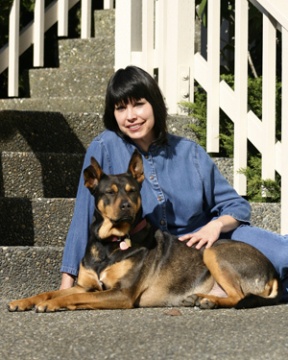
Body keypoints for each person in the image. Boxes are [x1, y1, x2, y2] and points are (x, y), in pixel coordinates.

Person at [60, 65, 288, 301]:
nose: (130, 116)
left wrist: (216, 226)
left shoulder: (190, 152)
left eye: (138, 104)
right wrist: (66, 284)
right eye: (120, 108)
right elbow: (84, 216)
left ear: (154, 104)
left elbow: (235, 205)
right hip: (162, 257)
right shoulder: (104, 146)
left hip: (214, 241)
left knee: (282, 254)